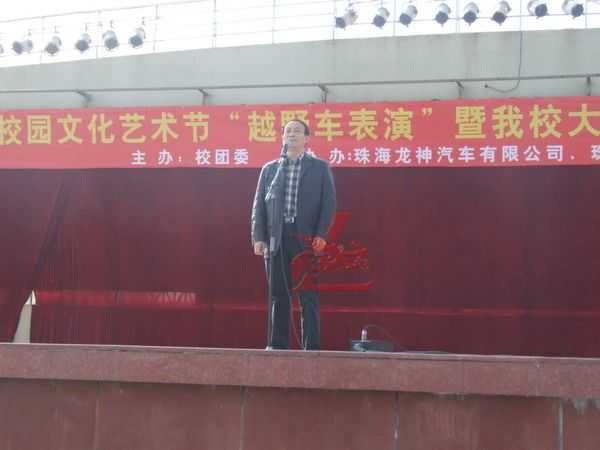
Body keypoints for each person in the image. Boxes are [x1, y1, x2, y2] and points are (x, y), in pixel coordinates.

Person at [251, 119, 336, 350]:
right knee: (279, 294)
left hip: (305, 238)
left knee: (308, 295)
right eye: (288, 131)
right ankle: (277, 345)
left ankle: (311, 347)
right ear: (282, 137)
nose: (292, 134)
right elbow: (259, 205)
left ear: (307, 139)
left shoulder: (319, 168)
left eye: (297, 131)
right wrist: (258, 237)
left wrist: (321, 234)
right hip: (276, 237)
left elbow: (328, 204)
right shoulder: (270, 169)